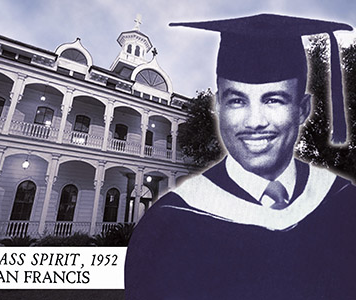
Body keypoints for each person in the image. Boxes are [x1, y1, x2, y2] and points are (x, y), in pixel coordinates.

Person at [125, 14, 356, 300]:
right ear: (219, 107)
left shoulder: (344, 204)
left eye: (273, 100)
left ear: (302, 109)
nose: (255, 121)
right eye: (237, 101)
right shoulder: (168, 227)